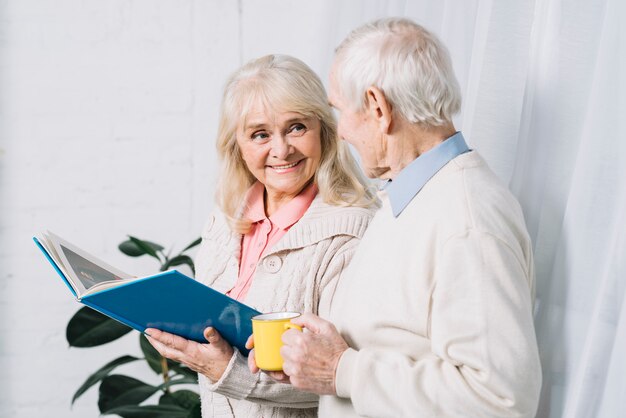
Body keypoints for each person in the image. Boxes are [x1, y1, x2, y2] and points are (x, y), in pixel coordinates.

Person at [261, 18, 543, 417]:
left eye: (341, 111)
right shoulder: (411, 196)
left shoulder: (467, 219)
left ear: (378, 108)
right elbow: (393, 342)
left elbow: (498, 399)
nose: (341, 133)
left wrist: (343, 370)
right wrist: (314, 362)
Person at [144, 54, 377, 417]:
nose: (281, 150)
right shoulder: (224, 221)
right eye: (260, 134)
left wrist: (226, 371)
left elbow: (348, 379)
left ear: (324, 131)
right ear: (237, 144)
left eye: (297, 127)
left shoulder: (352, 231)